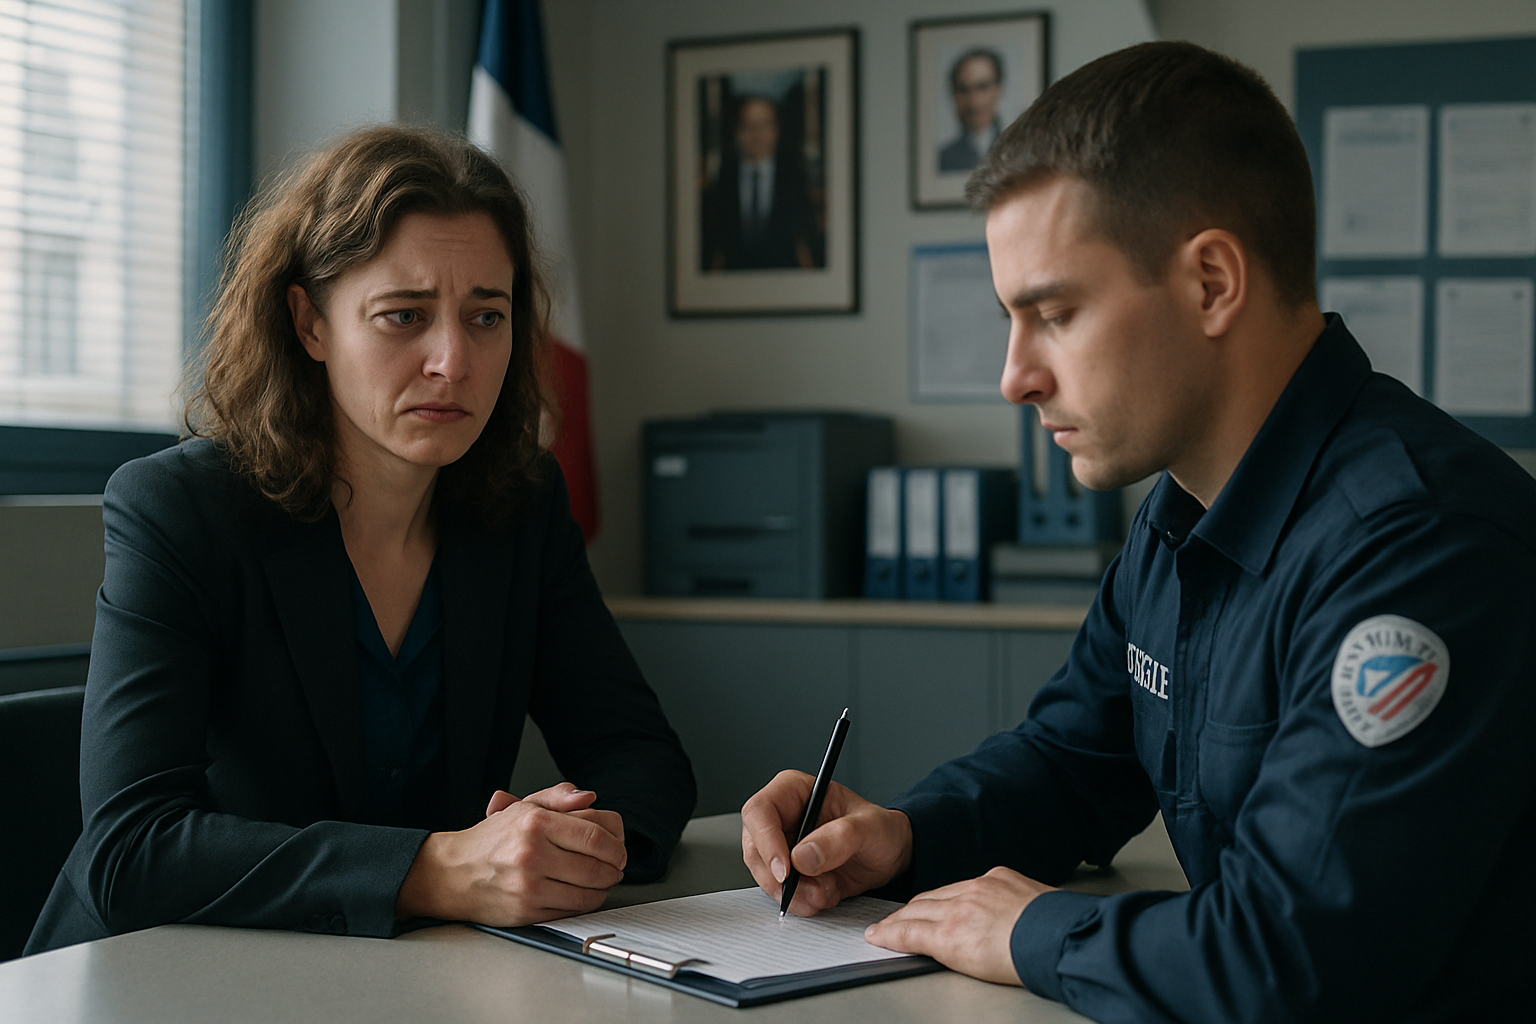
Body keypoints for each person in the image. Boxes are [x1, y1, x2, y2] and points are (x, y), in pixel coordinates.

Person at [742, 41, 1536, 1022]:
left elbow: (1292, 961)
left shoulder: (1421, 552)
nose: (1013, 377)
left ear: (1211, 283)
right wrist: (904, 833)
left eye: (1054, 313)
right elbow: (1073, 761)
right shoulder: (1183, 512)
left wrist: (1029, 930)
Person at [27, 125, 695, 954]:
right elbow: (131, 852)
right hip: (156, 982)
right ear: (310, 324)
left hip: (402, 976)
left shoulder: (521, 507)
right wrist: (437, 869)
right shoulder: (180, 510)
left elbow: (640, 758)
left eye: (487, 315)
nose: (452, 360)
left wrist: (563, 845)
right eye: (403, 316)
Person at [700, 94, 818, 271]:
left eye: (765, 125)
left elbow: (807, 241)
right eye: (749, 126)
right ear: (737, 131)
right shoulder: (721, 184)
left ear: (776, 130)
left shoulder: (794, 181)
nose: (757, 134)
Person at [937, 48, 1004, 173]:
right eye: (963, 90)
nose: (974, 102)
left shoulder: (1019, 152)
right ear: (954, 96)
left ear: (998, 90)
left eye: (982, 87)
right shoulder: (943, 158)